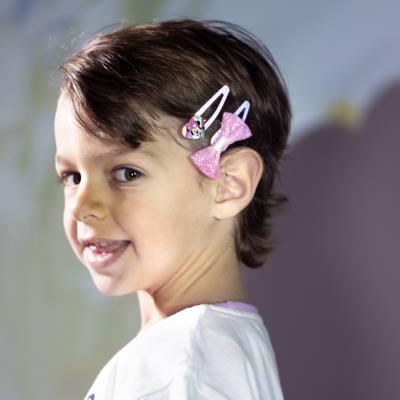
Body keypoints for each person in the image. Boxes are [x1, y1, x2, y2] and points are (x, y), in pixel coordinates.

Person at [54, 18, 291, 400]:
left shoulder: (180, 363)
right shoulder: (210, 350)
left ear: (228, 184)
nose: (82, 206)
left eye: (126, 173)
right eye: (72, 176)